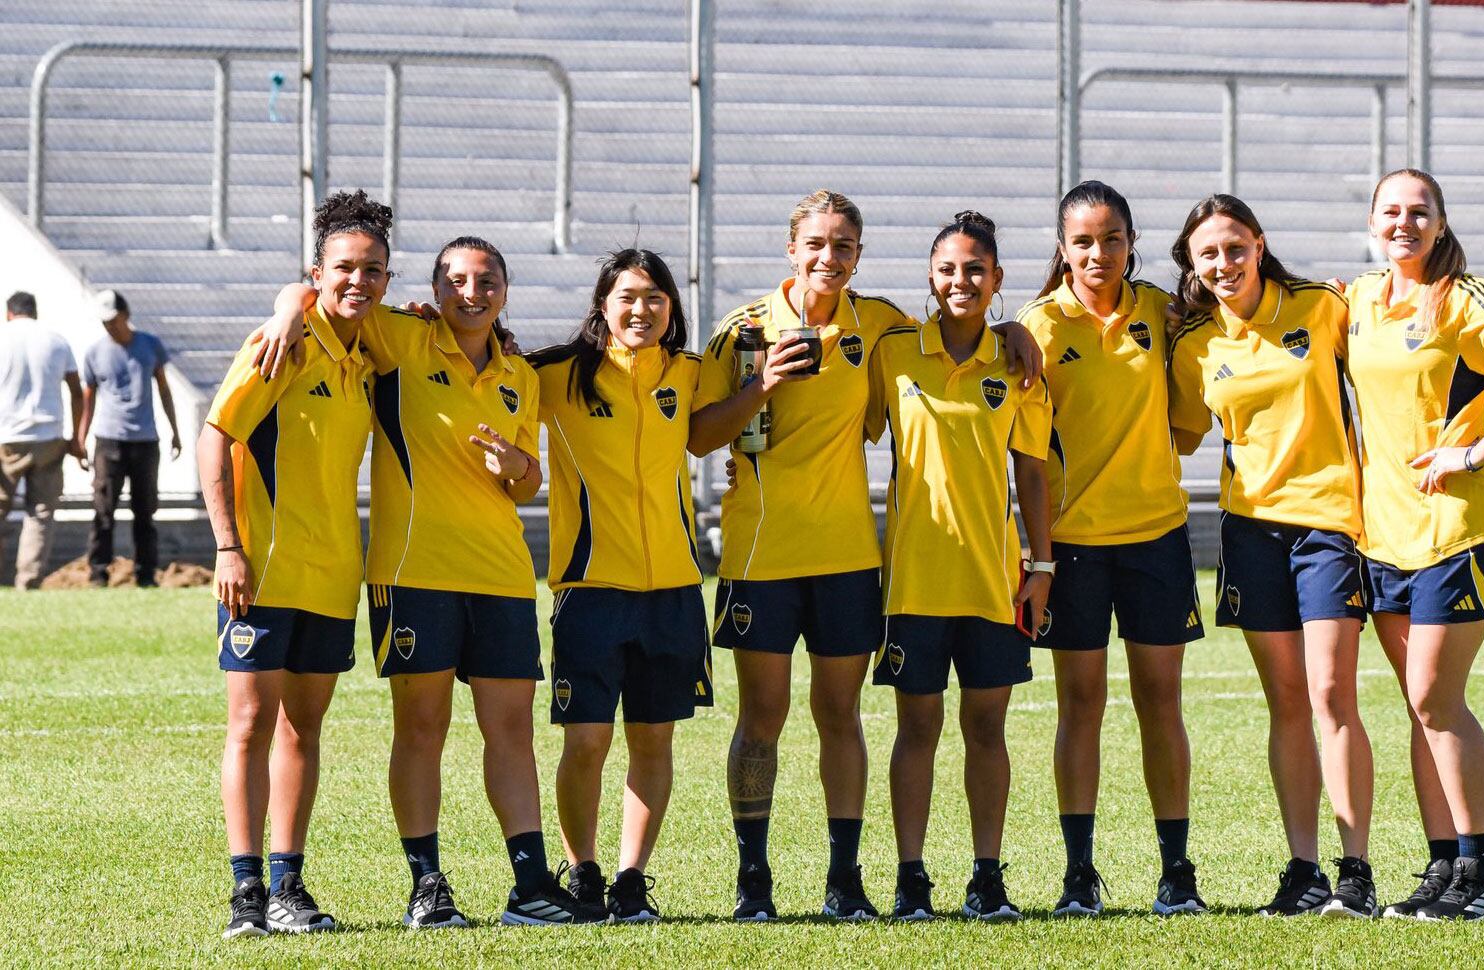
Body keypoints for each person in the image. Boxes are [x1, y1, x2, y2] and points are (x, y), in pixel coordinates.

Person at [687, 189, 1042, 921]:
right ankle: (754, 880)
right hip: (759, 554)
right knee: (761, 717)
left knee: (840, 715)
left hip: (849, 557)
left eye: (843, 246)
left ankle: (844, 880)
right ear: (792, 249)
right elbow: (699, 436)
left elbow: (957, 326)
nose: (829, 257)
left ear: (859, 255)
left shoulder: (878, 328)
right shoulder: (742, 331)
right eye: (816, 244)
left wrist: (1014, 329)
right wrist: (764, 384)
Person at [256, 227, 578, 928]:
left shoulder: (520, 375)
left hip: (503, 576)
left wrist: (518, 468)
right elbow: (331, 292)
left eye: (486, 281)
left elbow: (529, 482)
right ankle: (427, 886)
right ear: (433, 291)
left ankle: (529, 887)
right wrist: (285, 309)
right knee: (422, 726)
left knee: (511, 730)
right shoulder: (400, 340)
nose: (472, 293)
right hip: (413, 574)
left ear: (505, 292)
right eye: (456, 281)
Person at [1346, 169, 1484, 921]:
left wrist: (1474, 452)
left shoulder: (1467, 297)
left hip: (1460, 532)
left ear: (1440, 224)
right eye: (1391, 211)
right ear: (1371, 221)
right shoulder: (1358, 300)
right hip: (1384, 537)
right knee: (1422, 710)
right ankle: (1444, 869)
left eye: (1420, 212)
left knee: (1434, 699)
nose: (1404, 223)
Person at [1167, 194, 1378, 918]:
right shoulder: (1195, 346)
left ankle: (1356, 871)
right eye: (1208, 254)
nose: (1224, 263)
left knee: (1331, 694)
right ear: (1193, 264)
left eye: (1235, 247)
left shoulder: (1322, 306)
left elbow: (1392, 358)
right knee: (1285, 701)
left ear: (1259, 245)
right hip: (1251, 533)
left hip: (1329, 528)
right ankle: (1304, 870)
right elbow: (1181, 433)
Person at [1015, 181, 1209, 917]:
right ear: (1063, 248)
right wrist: (1039, 560)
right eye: (1084, 241)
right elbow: (1030, 461)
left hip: (1157, 538)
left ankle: (1177, 872)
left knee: (1162, 702)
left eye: (1113, 238)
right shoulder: (1036, 327)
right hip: (1073, 549)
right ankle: (1078, 875)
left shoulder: (1161, 311)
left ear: (1131, 242)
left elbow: (1190, 421)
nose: (1099, 253)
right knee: (1081, 705)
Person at [201, 191, 381, 938]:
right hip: (262, 571)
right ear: (317, 274)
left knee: (304, 729)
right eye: (344, 268)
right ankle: (246, 893)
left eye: (372, 270)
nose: (358, 281)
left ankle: (287, 887)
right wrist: (227, 547)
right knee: (250, 723)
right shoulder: (284, 341)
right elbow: (215, 437)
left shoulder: (367, 355)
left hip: (333, 574)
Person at [865, 211, 1052, 924]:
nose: (961, 280)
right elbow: (844, 422)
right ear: (931, 276)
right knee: (917, 730)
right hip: (913, 581)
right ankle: (911, 880)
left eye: (976, 269)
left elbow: (1031, 473)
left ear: (998, 278)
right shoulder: (894, 353)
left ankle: (987, 878)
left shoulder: (1018, 363)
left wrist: (1042, 565)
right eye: (948, 269)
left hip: (993, 580)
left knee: (986, 729)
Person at [525, 249, 713, 924]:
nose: (641, 309)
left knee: (653, 742)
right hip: (590, 590)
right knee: (586, 742)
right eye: (627, 296)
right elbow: (480, 365)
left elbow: (714, 433)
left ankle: (631, 880)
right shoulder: (557, 373)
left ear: (672, 307)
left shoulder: (691, 373)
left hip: (674, 591)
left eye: (655, 296)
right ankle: (583, 873)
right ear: (602, 305)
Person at [77, 289, 180, 587]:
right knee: (103, 510)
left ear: (126, 315)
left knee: (145, 510)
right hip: (108, 439)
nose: (110, 326)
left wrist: (174, 431)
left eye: (113, 320)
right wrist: (81, 438)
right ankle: (98, 574)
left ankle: (146, 574)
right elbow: (88, 398)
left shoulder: (150, 345)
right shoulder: (95, 352)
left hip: (145, 439)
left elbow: (164, 389)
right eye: (105, 322)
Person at [0, 291, 84, 589]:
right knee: (40, 513)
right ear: (34, 312)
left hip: (7, 436)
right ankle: (28, 581)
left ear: (9, 313)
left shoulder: (3, 337)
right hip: (49, 436)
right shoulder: (56, 341)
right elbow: (76, 391)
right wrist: (77, 438)